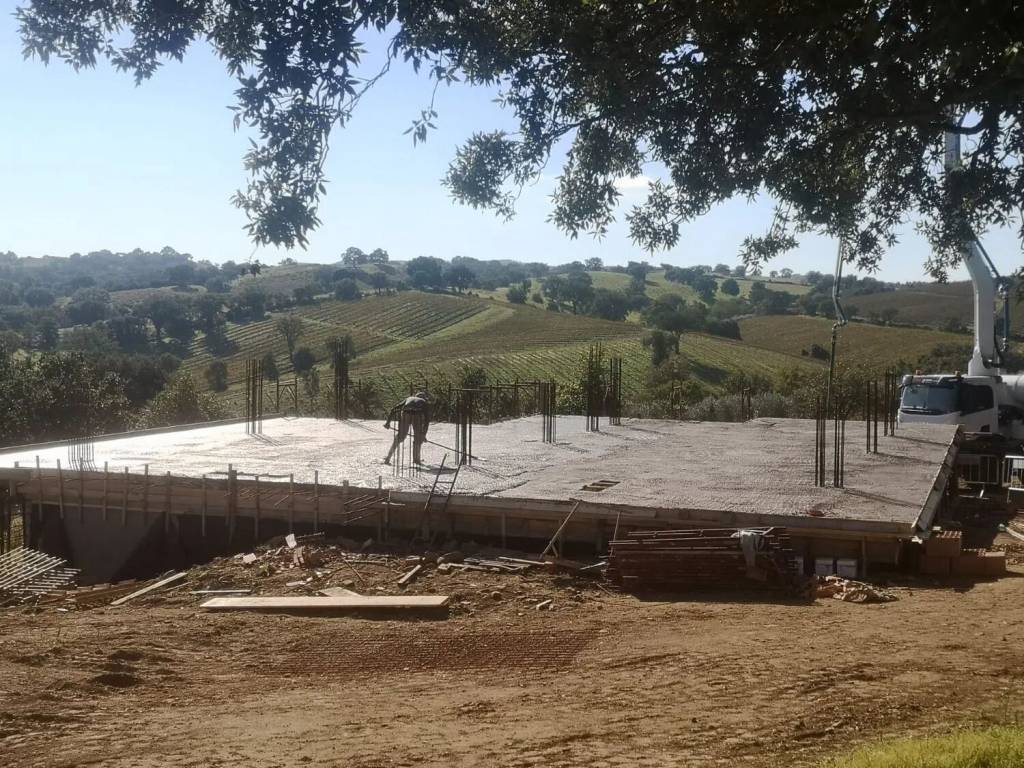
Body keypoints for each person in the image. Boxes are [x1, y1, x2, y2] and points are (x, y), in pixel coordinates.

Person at [383, 392, 430, 465]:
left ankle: (388, 457)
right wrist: (423, 434)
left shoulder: (409, 398)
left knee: (400, 437)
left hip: (405, 413)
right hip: (417, 414)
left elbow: (394, 409)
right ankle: (416, 460)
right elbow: (427, 420)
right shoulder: (423, 402)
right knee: (418, 438)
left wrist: (387, 423)